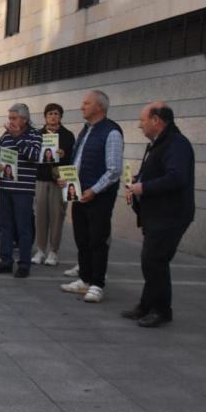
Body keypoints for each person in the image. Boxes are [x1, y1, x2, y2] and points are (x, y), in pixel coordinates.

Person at [122, 102, 194, 328]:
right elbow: (155, 173)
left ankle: (161, 310)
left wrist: (144, 188)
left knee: (155, 261)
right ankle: (146, 305)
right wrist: (138, 181)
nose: (139, 125)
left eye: (142, 120)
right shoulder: (157, 144)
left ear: (156, 120)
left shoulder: (177, 144)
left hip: (170, 215)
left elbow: (176, 177)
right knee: (151, 261)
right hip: (156, 214)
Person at [60, 90, 124, 303]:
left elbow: (114, 170)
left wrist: (94, 189)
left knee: (98, 239)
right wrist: (67, 180)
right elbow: (77, 161)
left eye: (86, 103)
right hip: (78, 193)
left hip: (98, 196)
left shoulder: (111, 132)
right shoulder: (86, 130)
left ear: (99, 107)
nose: (82, 107)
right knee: (82, 238)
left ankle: (97, 284)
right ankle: (85, 278)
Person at [0, 103, 41, 278]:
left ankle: (24, 264)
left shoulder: (35, 134)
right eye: (9, 117)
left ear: (24, 119)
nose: (10, 121)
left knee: (23, 228)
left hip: (23, 190)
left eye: (14, 118)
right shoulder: (5, 136)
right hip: (5, 187)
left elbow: (34, 156)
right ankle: (5, 261)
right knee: (5, 227)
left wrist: (17, 136)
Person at [32, 103, 76, 266]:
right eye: (50, 114)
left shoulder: (67, 135)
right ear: (45, 117)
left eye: (56, 114)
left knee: (57, 216)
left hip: (59, 181)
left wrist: (64, 154)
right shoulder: (37, 134)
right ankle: (40, 249)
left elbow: (73, 158)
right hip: (41, 179)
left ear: (60, 116)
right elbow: (32, 155)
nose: (53, 117)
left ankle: (53, 251)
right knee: (40, 215)